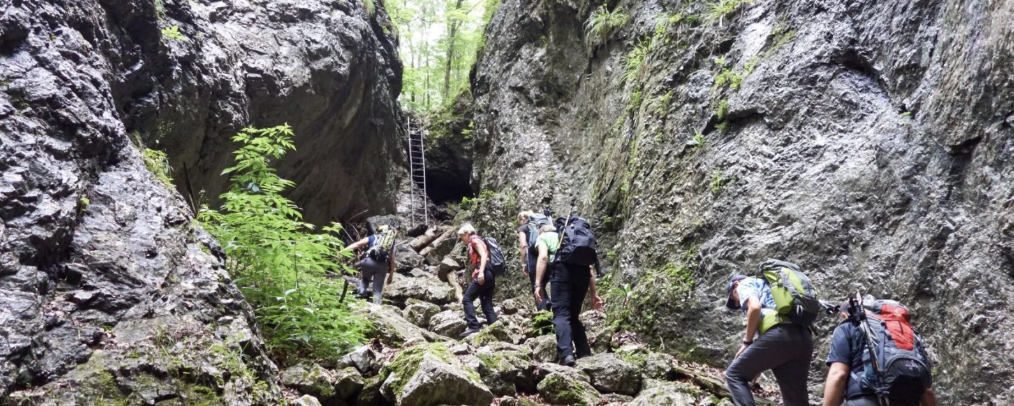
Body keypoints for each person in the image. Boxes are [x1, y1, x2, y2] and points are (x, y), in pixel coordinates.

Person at [823, 301, 937, 406]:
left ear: (844, 315)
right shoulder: (906, 334)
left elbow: (838, 374)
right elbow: (927, 391)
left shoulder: (847, 326)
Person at [724, 274, 814, 406]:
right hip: (804, 338)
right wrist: (758, 365)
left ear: (736, 284)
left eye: (733, 297)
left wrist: (747, 342)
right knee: (795, 400)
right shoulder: (774, 288)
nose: (737, 303)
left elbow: (755, 307)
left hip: (780, 336)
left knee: (734, 375)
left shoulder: (745, 283)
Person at [535, 223, 603, 366]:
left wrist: (538, 284)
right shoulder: (573, 239)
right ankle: (584, 352)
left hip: (561, 271)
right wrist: (594, 294)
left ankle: (566, 355)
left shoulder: (544, 237)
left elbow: (542, 258)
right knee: (573, 315)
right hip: (583, 274)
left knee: (561, 314)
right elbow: (589, 268)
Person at [458, 223, 498, 338]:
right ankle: (495, 328)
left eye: (462, 237)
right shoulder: (477, 240)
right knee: (486, 304)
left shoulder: (474, 241)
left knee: (467, 299)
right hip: (489, 273)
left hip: (484, 272)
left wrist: (480, 272)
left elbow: (484, 255)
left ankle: (473, 326)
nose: (462, 240)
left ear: (467, 234)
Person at [344, 225, 398, 305]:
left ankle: (361, 292)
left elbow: (357, 244)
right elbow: (392, 260)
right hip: (382, 266)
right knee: (377, 290)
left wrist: (343, 251)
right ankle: (377, 306)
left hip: (368, 262)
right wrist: (391, 275)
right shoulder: (391, 242)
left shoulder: (372, 237)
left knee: (365, 279)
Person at [517, 211, 550, 311]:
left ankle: (544, 317)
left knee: (537, 286)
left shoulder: (523, 228)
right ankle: (549, 302)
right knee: (547, 283)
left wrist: (523, 264)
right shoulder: (544, 225)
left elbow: (523, 246)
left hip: (534, 260)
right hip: (549, 257)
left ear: (522, 219)